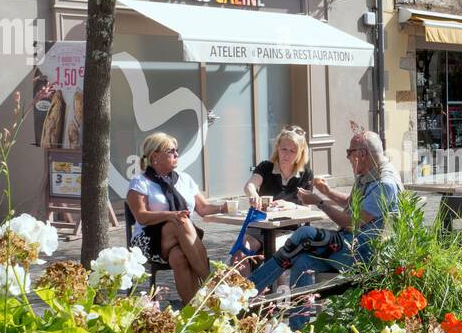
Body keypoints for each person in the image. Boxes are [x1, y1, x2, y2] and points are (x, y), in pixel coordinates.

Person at [248, 131, 403, 294]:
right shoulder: (371, 173)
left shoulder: (384, 184)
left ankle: (248, 292)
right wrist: (327, 192)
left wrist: (319, 202)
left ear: (362, 154)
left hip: (361, 253)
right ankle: (300, 319)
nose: (348, 157)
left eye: (349, 152)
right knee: (302, 261)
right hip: (350, 244)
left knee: (304, 234)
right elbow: (352, 203)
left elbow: (353, 222)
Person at [127, 132, 225, 304]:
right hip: (148, 240)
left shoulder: (185, 179)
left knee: (179, 257)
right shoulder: (140, 182)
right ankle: (210, 282)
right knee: (181, 220)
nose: (176, 154)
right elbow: (141, 217)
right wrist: (170, 215)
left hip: (181, 240)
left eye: (176, 150)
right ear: (155, 156)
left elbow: (202, 208)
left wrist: (223, 207)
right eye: (171, 151)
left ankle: (194, 311)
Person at [237, 127, 314, 260]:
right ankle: (245, 281)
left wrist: (292, 206)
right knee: (240, 254)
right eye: (284, 149)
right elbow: (249, 185)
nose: (287, 154)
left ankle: (271, 279)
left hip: (289, 230)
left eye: (292, 151)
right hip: (260, 227)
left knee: (273, 255)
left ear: (300, 153)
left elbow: (307, 209)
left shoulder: (306, 174)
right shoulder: (266, 167)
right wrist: (253, 195)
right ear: (277, 148)